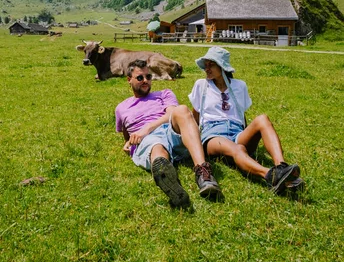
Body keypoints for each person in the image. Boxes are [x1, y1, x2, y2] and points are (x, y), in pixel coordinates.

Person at [188, 47, 305, 194]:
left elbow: (240, 114)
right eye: (206, 64)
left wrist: (247, 134)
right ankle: (270, 175)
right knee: (238, 149)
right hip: (213, 134)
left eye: (211, 64)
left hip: (237, 132)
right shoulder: (201, 85)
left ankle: (281, 167)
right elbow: (195, 116)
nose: (207, 68)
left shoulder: (239, 85)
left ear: (222, 66)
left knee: (262, 119)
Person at [115, 59, 221, 208]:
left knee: (182, 110)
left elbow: (171, 114)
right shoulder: (121, 108)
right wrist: (129, 141)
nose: (145, 81)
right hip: (148, 140)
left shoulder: (164, 93)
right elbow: (128, 135)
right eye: (140, 78)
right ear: (129, 80)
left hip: (169, 131)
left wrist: (147, 128)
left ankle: (203, 173)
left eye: (149, 77)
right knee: (157, 147)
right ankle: (171, 183)